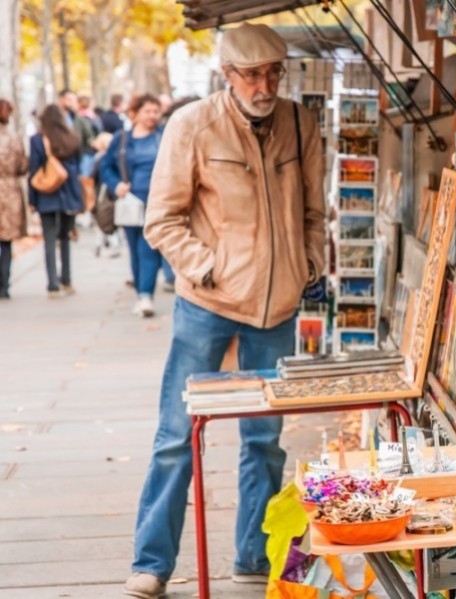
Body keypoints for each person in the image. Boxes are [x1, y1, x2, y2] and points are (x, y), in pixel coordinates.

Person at [124, 23, 325, 599]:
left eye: (272, 73)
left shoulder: (299, 123)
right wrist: (206, 266)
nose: (264, 85)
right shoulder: (191, 124)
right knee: (175, 435)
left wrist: (307, 263)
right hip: (207, 304)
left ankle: (253, 558)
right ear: (228, 75)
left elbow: (314, 210)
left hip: (277, 306)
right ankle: (152, 563)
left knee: (264, 440)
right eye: (252, 74)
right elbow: (160, 219)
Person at [100, 94, 165, 317]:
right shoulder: (122, 139)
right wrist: (116, 184)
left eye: (156, 111)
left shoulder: (164, 136)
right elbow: (105, 168)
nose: (152, 116)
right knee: (135, 250)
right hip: (130, 203)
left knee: (148, 249)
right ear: (135, 113)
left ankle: (146, 295)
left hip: (157, 203)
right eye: (147, 111)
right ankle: (141, 293)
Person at [27, 105, 83, 298]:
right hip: (68, 193)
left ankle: (52, 284)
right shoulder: (72, 138)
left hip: (46, 195)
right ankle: (66, 280)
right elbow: (77, 170)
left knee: (49, 240)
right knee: (65, 237)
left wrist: (32, 199)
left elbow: (33, 171)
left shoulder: (37, 140)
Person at [0, 99, 28, 299]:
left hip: (8, 190)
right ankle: (4, 285)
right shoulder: (14, 139)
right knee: (6, 241)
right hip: (9, 192)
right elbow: (23, 166)